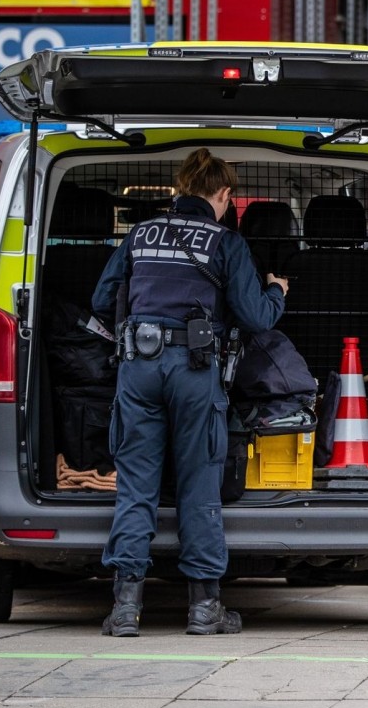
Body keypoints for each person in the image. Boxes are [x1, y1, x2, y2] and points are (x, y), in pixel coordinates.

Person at [90, 149, 289, 637]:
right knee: (200, 485)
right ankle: (204, 610)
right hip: (196, 371)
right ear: (223, 195)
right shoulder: (226, 242)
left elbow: (100, 301)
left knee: (136, 484)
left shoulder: (139, 235)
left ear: (180, 189)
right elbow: (257, 317)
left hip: (138, 366)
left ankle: (124, 610)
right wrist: (278, 290)